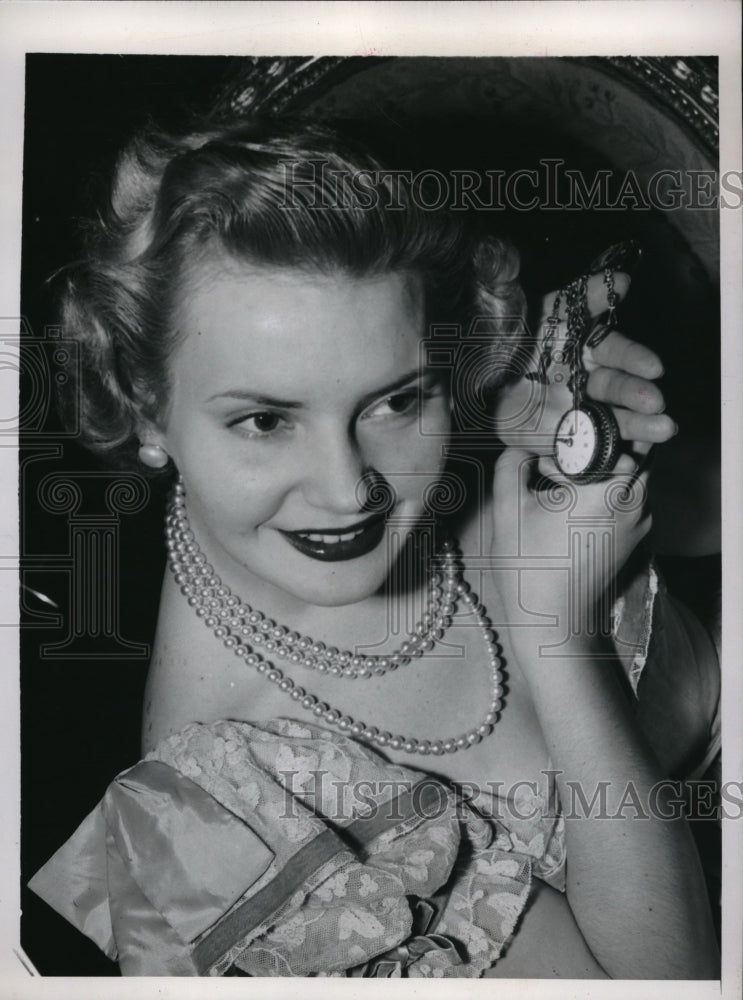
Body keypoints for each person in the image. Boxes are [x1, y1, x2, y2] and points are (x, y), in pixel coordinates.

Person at [28, 118, 720, 978]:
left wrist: (581, 437)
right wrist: (560, 637)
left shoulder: (460, 423)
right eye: (265, 420)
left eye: (392, 400)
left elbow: (704, 539)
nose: (348, 487)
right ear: (142, 407)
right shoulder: (233, 818)